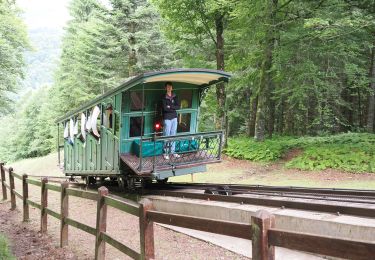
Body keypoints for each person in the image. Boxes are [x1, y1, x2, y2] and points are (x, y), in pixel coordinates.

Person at [162, 81, 180, 160]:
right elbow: (165, 108)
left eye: (170, 86)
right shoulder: (163, 97)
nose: (169, 88)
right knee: (167, 134)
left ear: (172, 88)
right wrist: (172, 107)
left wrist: (170, 106)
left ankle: (172, 151)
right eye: (167, 86)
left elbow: (178, 107)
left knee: (173, 134)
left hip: (174, 117)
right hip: (167, 118)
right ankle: (165, 152)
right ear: (165, 88)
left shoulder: (175, 96)